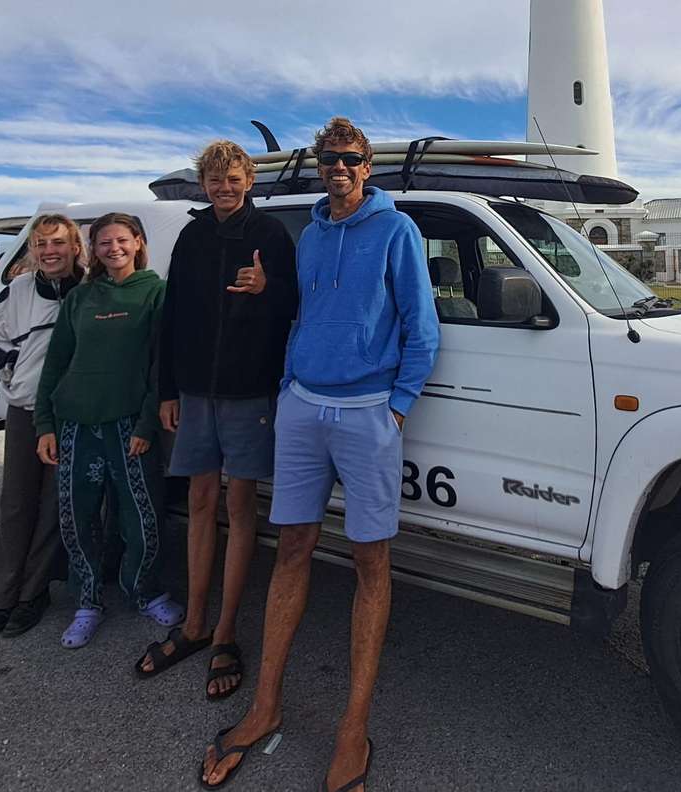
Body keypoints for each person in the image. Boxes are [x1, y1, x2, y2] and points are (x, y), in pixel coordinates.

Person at [197, 117, 438, 791]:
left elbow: (421, 324)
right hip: (303, 405)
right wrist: (287, 385)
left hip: (368, 414)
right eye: (328, 158)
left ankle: (352, 729)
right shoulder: (310, 235)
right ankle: (265, 705)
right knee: (293, 546)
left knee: (369, 558)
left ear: (367, 167)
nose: (338, 167)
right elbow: (301, 315)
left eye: (350, 159)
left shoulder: (396, 230)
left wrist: (396, 406)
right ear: (319, 165)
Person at [135, 140, 298, 701]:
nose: (224, 187)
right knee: (200, 500)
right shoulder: (191, 235)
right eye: (214, 179)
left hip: (248, 393)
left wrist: (268, 287)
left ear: (249, 178)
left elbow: (295, 310)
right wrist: (167, 390)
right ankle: (195, 622)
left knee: (238, 504)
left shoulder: (272, 236)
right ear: (204, 184)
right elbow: (172, 315)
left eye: (233, 178)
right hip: (195, 392)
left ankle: (226, 628)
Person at [34, 212, 184, 648]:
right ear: (93, 249)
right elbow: (56, 362)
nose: (113, 248)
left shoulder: (156, 293)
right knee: (78, 517)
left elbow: (161, 366)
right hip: (76, 423)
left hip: (128, 425)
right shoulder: (81, 299)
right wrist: (45, 422)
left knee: (142, 515)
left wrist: (146, 423)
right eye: (103, 242)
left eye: (122, 240)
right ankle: (88, 600)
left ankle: (145, 590)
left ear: (138, 243)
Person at [0, 214, 82, 638]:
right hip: (25, 409)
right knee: (17, 504)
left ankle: (32, 594)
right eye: (40, 244)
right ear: (33, 252)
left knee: (55, 505)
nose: (49, 251)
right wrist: (12, 364)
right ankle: (3, 596)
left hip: (70, 412)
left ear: (75, 247)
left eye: (58, 242)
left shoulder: (89, 291)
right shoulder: (18, 290)